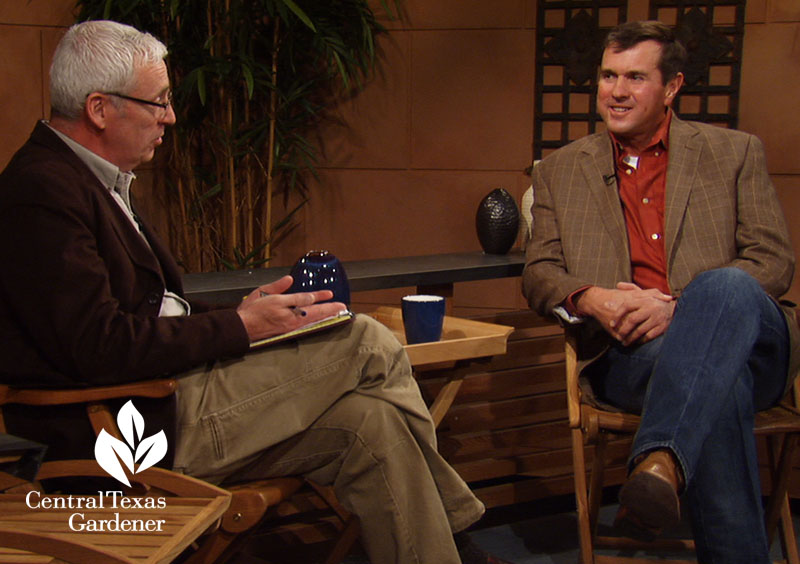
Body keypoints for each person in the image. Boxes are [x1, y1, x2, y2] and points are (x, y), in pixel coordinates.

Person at [0, 20, 514, 564]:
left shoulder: (92, 180)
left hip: (170, 392)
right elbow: (97, 344)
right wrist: (241, 328)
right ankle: (461, 532)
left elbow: (151, 311)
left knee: (374, 425)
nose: (170, 117)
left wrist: (236, 313)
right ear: (100, 109)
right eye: (159, 102)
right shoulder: (40, 192)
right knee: (362, 338)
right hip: (124, 429)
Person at [523, 20, 800, 564]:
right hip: (632, 355)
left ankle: (658, 459)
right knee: (723, 385)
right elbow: (539, 274)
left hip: (754, 339)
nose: (617, 91)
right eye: (608, 75)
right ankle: (663, 468)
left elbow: (773, 262)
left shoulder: (735, 152)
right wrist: (592, 298)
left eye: (635, 77)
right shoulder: (559, 171)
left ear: (671, 87)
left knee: (724, 288)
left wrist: (681, 307)